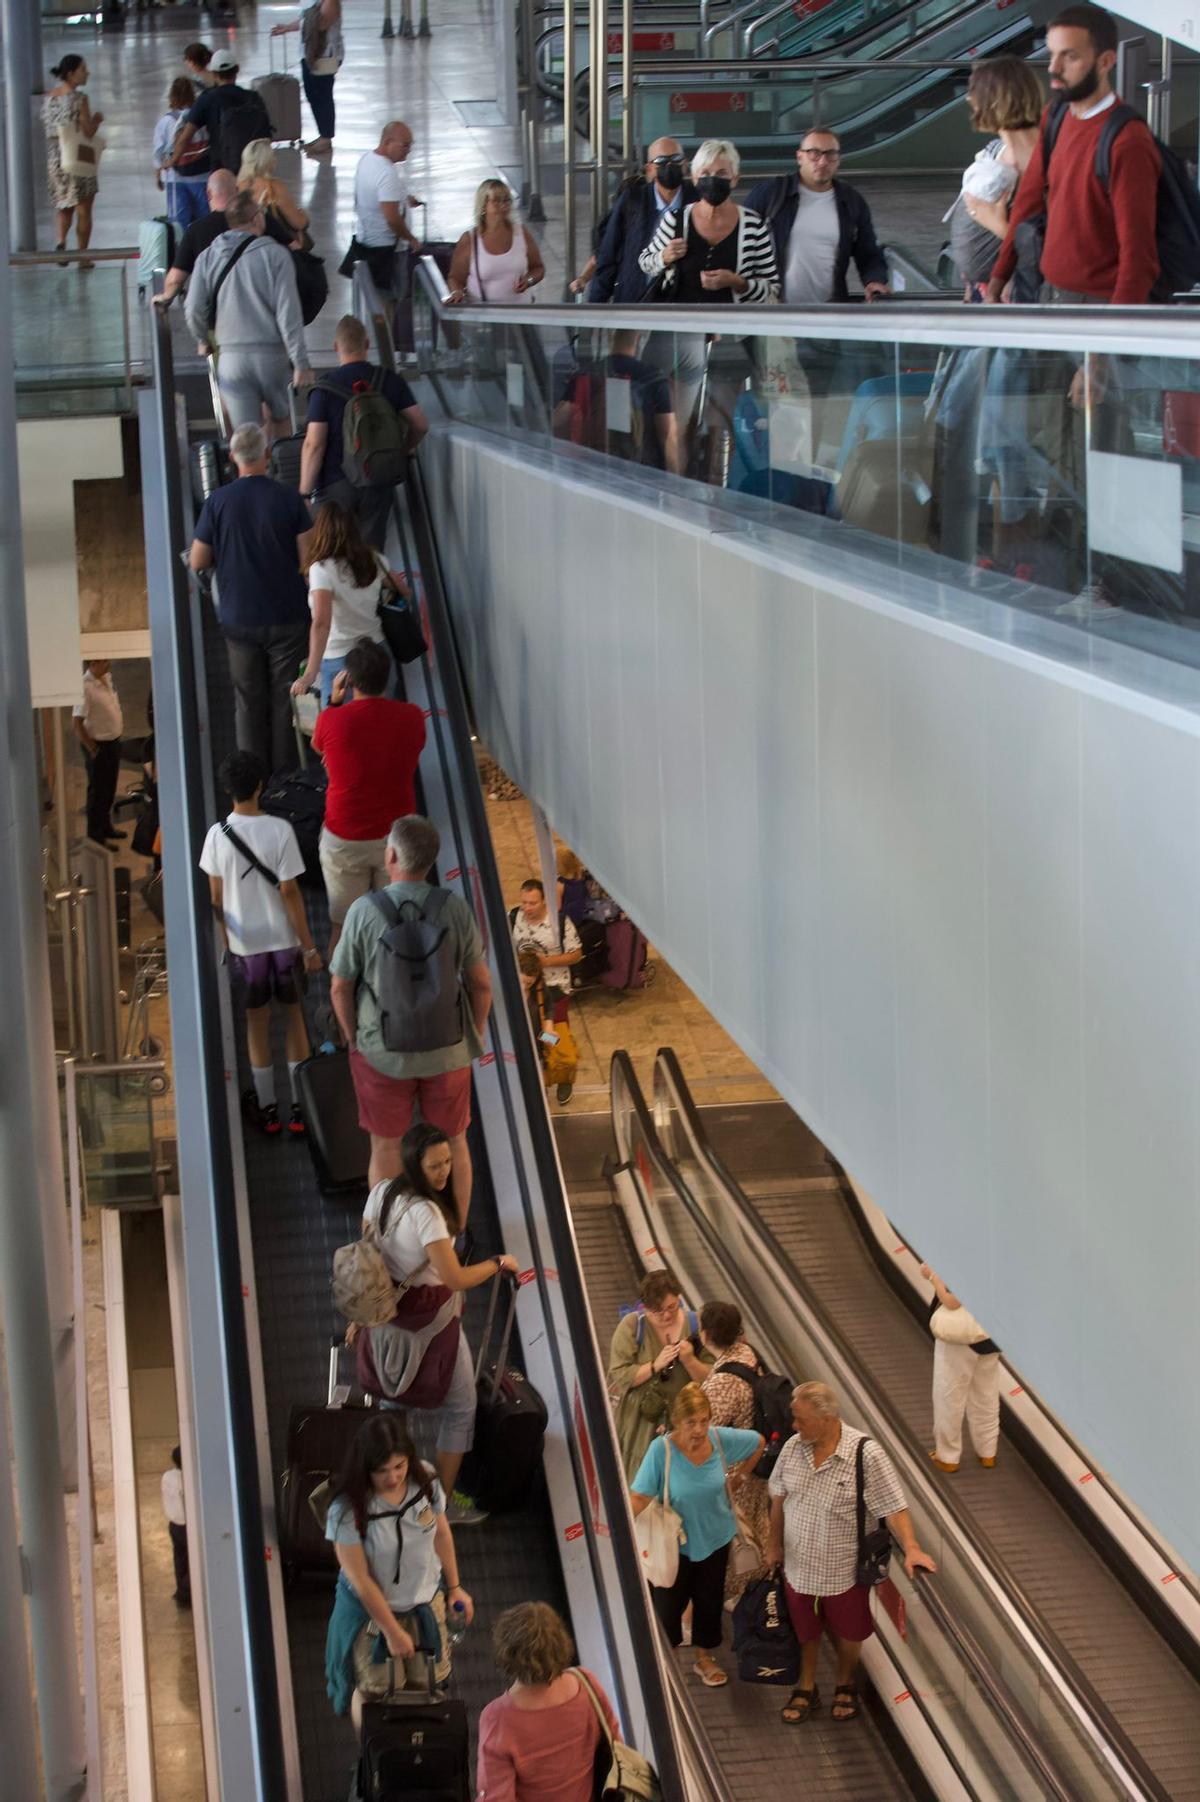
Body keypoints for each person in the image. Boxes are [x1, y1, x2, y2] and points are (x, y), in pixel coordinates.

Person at [355, 1123, 520, 1520]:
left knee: (391, 1405)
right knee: (461, 1407)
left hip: (384, 1321)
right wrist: (497, 1263)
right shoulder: (427, 1214)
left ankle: (385, 1492)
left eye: (448, 1162)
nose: (444, 1172)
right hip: (430, 1325)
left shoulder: (382, 1191)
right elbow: (454, 1278)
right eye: (435, 1166)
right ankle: (437, 1506)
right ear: (416, 1164)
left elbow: (366, 1243)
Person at [330, 814, 493, 1205]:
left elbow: (340, 986)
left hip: (382, 1052)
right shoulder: (454, 908)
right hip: (448, 1050)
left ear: (390, 856)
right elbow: (481, 983)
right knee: (453, 1142)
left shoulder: (364, 911)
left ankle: (387, 1235)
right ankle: (454, 1233)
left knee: (385, 1148)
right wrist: (476, 1032)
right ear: (430, 861)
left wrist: (354, 1038)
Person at [766, 1382, 936, 1724]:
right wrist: (773, 1544)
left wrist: (913, 1547)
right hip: (798, 1568)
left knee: (850, 1632)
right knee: (806, 1630)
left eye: (801, 1420)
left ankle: (845, 1682)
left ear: (827, 1418)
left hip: (843, 1571)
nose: (794, 1426)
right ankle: (807, 1684)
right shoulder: (792, 1448)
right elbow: (778, 1498)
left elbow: (894, 1507)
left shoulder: (866, 1455)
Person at [986, 4, 1161, 306]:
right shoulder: (1056, 116)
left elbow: (1138, 255)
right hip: (1049, 292)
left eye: (1070, 56)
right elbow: (1029, 200)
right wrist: (999, 277)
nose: (1054, 67)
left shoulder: (1127, 141)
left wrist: (1113, 335)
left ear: (1105, 61)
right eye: (1052, 53)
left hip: (1096, 307)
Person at [199, 748, 322, 1135]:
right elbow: (289, 891)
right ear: (260, 786)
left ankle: (269, 1108)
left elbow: (216, 900)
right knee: (294, 1017)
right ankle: (303, 1107)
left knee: (256, 1023)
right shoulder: (280, 830)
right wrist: (309, 946)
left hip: (245, 948)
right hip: (283, 942)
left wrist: (228, 940)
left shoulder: (216, 836)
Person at [324, 1415, 474, 1727]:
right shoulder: (347, 1510)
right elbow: (361, 1581)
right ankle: (371, 1753)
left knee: (427, 1682)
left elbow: (441, 1533)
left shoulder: (426, 1482)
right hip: (372, 1614)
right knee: (375, 1690)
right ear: (365, 1469)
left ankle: (413, 1746)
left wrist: (456, 1586)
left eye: (399, 1466)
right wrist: (392, 1631)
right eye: (382, 1471)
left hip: (423, 1601)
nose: (393, 1478)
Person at [189, 422, 314, 776]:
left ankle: (251, 782)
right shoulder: (289, 499)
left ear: (232, 458)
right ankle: (284, 778)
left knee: (247, 701)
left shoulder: (218, 502)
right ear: (268, 454)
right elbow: (309, 560)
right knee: (284, 698)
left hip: (239, 618)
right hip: (288, 615)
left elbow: (198, 560)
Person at [630, 1383, 764, 1687]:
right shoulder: (661, 1451)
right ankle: (671, 1661)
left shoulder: (718, 1439)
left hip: (715, 1539)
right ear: (677, 1421)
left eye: (704, 1420)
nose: (700, 1429)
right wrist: (618, 1532)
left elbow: (758, 1442)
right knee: (668, 1606)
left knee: (708, 1601)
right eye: (692, 1422)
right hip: (674, 1547)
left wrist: (740, 1477)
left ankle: (704, 1658)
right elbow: (639, 1497)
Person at [308, 638, 426, 955]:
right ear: (387, 678)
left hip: (345, 835)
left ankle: (342, 997)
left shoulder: (333, 720)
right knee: (394, 923)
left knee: (343, 927)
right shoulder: (413, 717)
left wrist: (334, 702)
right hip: (398, 839)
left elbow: (318, 747)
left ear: (349, 680)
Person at [185, 192, 313, 439]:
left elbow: (193, 307)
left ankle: (249, 475)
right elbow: (289, 313)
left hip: (232, 359)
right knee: (282, 426)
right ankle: (282, 472)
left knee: (246, 436)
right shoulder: (276, 255)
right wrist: (300, 363)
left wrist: (202, 340)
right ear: (256, 219)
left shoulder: (207, 257)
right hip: (272, 357)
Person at [300, 313, 428, 549]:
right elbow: (420, 424)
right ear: (367, 345)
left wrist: (305, 494)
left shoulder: (324, 388)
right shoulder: (389, 380)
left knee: (331, 560)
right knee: (370, 559)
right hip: (377, 481)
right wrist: (401, 451)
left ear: (336, 347)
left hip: (334, 486)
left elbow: (314, 444)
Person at [477, 1602, 621, 1801]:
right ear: (561, 1642)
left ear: (507, 1654)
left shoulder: (497, 1718)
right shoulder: (587, 1684)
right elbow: (617, 1747)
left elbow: (497, 1797)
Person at [746, 129, 889, 305]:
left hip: (829, 313)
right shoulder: (772, 194)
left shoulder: (851, 201)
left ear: (838, 160)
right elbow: (740, 238)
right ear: (800, 157)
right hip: (775, 310)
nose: (822, 161)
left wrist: (874, 280)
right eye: (814, 153)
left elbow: (868, 252)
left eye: (831, 154)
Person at [293, 502, 409, 706]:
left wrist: (310, 674)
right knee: (381, 722)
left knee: (344, 729)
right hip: (377, 652)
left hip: (340, 660)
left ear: (320, 530)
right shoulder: (373, 559)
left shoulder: (321, 569)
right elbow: (404, 593)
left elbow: (321, 622)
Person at [639, 139, 778, 305]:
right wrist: (665, 256)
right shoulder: (676, 220)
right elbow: (645, 262)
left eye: (721, 173)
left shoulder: (753, 225)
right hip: (682, 323)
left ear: (734, 178)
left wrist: (738, 282)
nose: (712, 179)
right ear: (695, 178)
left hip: (735, 325)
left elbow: (772, 287)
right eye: (705, 173)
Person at [607, 1269, 712, 1481]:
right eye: (657, 1311)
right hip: (641, 1424)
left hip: (685, 1423)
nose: (666, 1315)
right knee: (641, 1481)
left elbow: (712, 1377)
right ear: (645, 1307)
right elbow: (620, 1374)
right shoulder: (632, 1326)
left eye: (672, 1307)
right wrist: (655, 1365)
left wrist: (690, 1360)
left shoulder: (696, 1324)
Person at [700, 1300, 769, 1602]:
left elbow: (702, 1434)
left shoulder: (723, 1384)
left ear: (705, 1335)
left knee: (736, 1534)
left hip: (734, 1473)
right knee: (754, 1524)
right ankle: (758, 1584)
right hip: (756, 1463)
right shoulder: (747, 1354)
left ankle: (740, 1595)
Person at [153, 169, 297, 311]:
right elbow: (294, 249)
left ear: (208, 194)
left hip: (220, 317)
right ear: (237, 190)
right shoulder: (259, 220)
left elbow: (176, 280)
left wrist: (165, 296)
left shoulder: (196, 231)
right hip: (264, 309)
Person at [552, 330, 681, 474]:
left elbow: (558, 419)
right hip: (639, 472)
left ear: (609, 337)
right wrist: (674, 480)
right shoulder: (654, 379)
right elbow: (668, 435)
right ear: (640, 339)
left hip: (593, 465)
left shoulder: (586, 374)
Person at [587, 141, 695, 303]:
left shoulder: (698, 201)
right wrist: (596, 305)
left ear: (685, 164)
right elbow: (608, 253)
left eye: (676, 158)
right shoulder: (633, 201)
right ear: (649, 169)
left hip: (682, 303)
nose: (670, 165)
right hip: (635, 299)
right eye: (661, 162)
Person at [921, 1263, 1002, 1473]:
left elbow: (952, 1301)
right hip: (990, 1336)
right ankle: (987, 1453)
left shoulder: (966, 1257)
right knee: (986, 1397)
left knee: (949, 1396)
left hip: (959, 1339)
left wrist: (933, 1277)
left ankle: (947, 1457)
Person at [344, 122, 422, 293]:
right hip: (388, 252)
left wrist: (404, 199)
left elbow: (372, 195)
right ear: (388, 142)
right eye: (405, 145)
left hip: (367, 242)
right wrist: (411, 239)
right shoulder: (386, 173)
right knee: (391, 300)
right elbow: (392, 218)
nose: (408, 149)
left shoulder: (367, 160)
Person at [169, 48, 266, 177]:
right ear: (237, 70)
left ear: (214, 74)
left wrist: (172, 161)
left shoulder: (206, 99)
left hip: (221, 167)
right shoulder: (253, 97)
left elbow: (185, 137)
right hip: (252, 165)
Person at [43, 56, 103, 265]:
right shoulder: (79, 99)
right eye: (83, 69)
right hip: (78, 157)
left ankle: (61, 241)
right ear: (71, 73)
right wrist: (96, 119)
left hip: (55, 159)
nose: (87, 73)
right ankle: (83, 257)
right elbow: (87, 132)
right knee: (84, 209)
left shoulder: (50, 97)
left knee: (64, 205)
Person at [447, 182, 545, 302]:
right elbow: (455, 278)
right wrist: (457, 292)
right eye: (497, 201)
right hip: (484, 316)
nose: (503, 205)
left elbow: (538, 268)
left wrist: (528, 281)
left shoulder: (521, 233)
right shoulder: (470, 240)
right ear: (483, 205)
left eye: (507, 200)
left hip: (522, 314)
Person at [271, 0, 344, 158]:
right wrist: (288, 28)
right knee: (312, 94)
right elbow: (308, 19)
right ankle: (323, 134)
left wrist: (305, 21)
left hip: (325, 55)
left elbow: (321, 24)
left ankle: (326, 138)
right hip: (310, 53)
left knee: (322, 95)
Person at [72, 659, 124, 848]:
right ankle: (95, 836)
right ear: (92, 663)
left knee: (109, 789)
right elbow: (77, 723)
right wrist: (92, 748)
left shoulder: (106, 678)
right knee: (98, 792)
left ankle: (106, 826)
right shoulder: (85, 687)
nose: (107, 664)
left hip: (113, 742)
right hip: (99, 745)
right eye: (103, 662)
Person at [153, 77, 210, 229]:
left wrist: (159, 172)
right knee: (204, 219)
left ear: (172, 96)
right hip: (201, 175)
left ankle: (182, 250)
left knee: (179, 223)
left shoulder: (166, 122)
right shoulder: (200, 118)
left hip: (174, 177)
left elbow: (158, 152)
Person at [237, 138, 310, 241]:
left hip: (244, 243)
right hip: (273, 245)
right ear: (268, 161)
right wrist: (305, 216)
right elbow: (298, 223)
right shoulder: (273, 187)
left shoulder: (236, 187)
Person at [161, 1446, 190, 1608]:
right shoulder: (185, 1480)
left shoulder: (167, 1476)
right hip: (186, 1526)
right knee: (192, 1561)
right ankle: (185, 1593)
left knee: (179, 1559)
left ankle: (181, 1588)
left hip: (173, 1524)